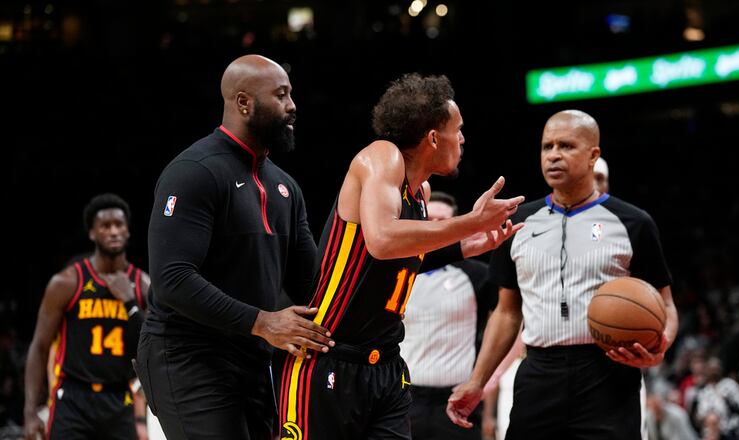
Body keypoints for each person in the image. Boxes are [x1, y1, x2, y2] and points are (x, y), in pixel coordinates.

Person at [277, 73, 524, 440]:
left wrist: (469, 244)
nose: (463, 138)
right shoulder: (381, 157)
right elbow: (381, 239)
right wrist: (469, 222)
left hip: (386, 365)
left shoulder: (420, 192)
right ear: (433, 138)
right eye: (458, 129)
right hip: (328, 356)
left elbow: (399, 260)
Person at [447, 109, 679, 440]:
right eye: (547, 147)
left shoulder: (634, 222)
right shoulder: (517, 224)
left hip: (609, 373)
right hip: (539, 372)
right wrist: (477, 381)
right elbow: (507, 312)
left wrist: (663, 342)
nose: (554, 155)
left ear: (593, 156)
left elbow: (666, 304)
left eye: (566, 146)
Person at [138, 54, 333, 440]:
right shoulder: (194, 171)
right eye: (281, 95)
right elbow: (171, 279)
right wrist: (264, 322)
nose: (292, 106)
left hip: (251, 355)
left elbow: (315, 280)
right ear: (243, 102)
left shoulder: (285, 187)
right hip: (186, 354)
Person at [24, 193, 150, 440]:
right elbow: (39, 347)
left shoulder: (143, 284)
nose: (113, 231)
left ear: (128, 231)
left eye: (119, 225)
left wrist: (129, 301)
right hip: (72, 398)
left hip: (119, 397)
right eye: (105, 226)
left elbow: (150, 347)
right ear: (92, 233)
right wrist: (30, 411)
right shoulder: (67, 282)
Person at [400, 191, 499, 440]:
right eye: (429, 219)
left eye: (441, 221)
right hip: (403, 398)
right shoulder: (398, 270)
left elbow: (512, 316)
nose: (434, 227)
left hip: (455, 400)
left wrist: (488, 378)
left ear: (454, 226)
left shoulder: (478, 274)